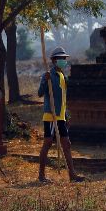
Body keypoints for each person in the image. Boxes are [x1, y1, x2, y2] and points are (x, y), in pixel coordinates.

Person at [36, 46, 86, 184]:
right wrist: (45, 80)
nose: (64, 60)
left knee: (67, 144)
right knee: (47, 144)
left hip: (61, 117)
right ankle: (41, 175)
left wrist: (66, 115)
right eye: (61, 58)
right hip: (51, 116)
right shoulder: (48, 75)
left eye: (64, 58)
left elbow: (63, 98)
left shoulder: (62, 76)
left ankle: (72, 175)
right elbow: (40, 93)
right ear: (53, 60)